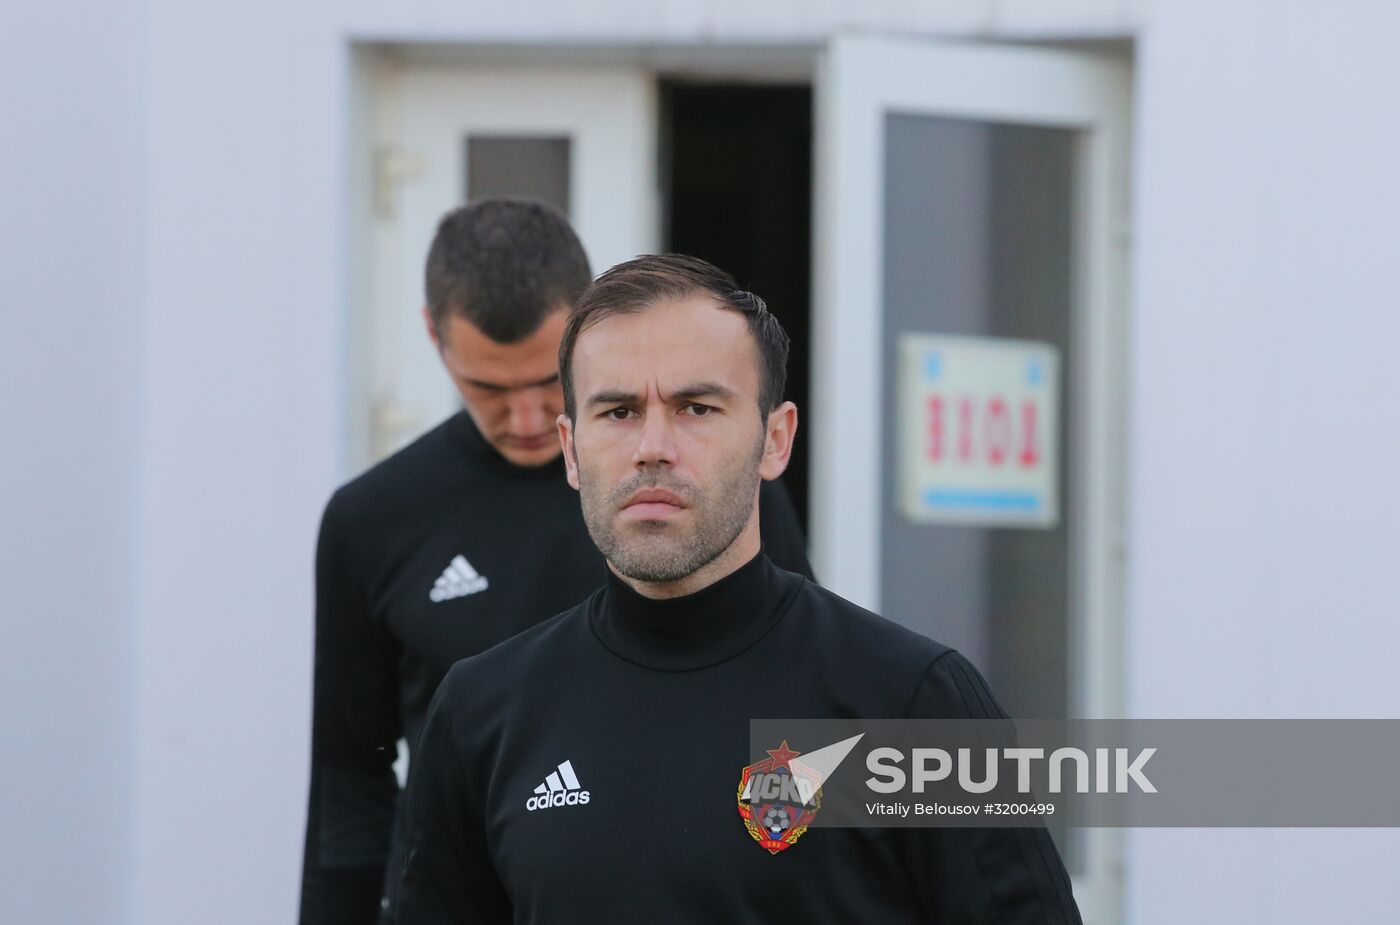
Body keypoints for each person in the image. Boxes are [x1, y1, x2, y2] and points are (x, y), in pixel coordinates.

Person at [394, 254, 1080, 923]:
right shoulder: (482, 712)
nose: (652, 446)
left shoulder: (910, 702)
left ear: (775, 440)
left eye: (696, 407)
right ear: (572, 450)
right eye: (619, 412)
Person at [298, 204, 812, 925]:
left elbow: (803, 699)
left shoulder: (696, 489)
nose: (529, 418)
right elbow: (348, 779)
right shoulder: (373, 519)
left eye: (547, 381)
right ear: (434, 337)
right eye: (488, 389)